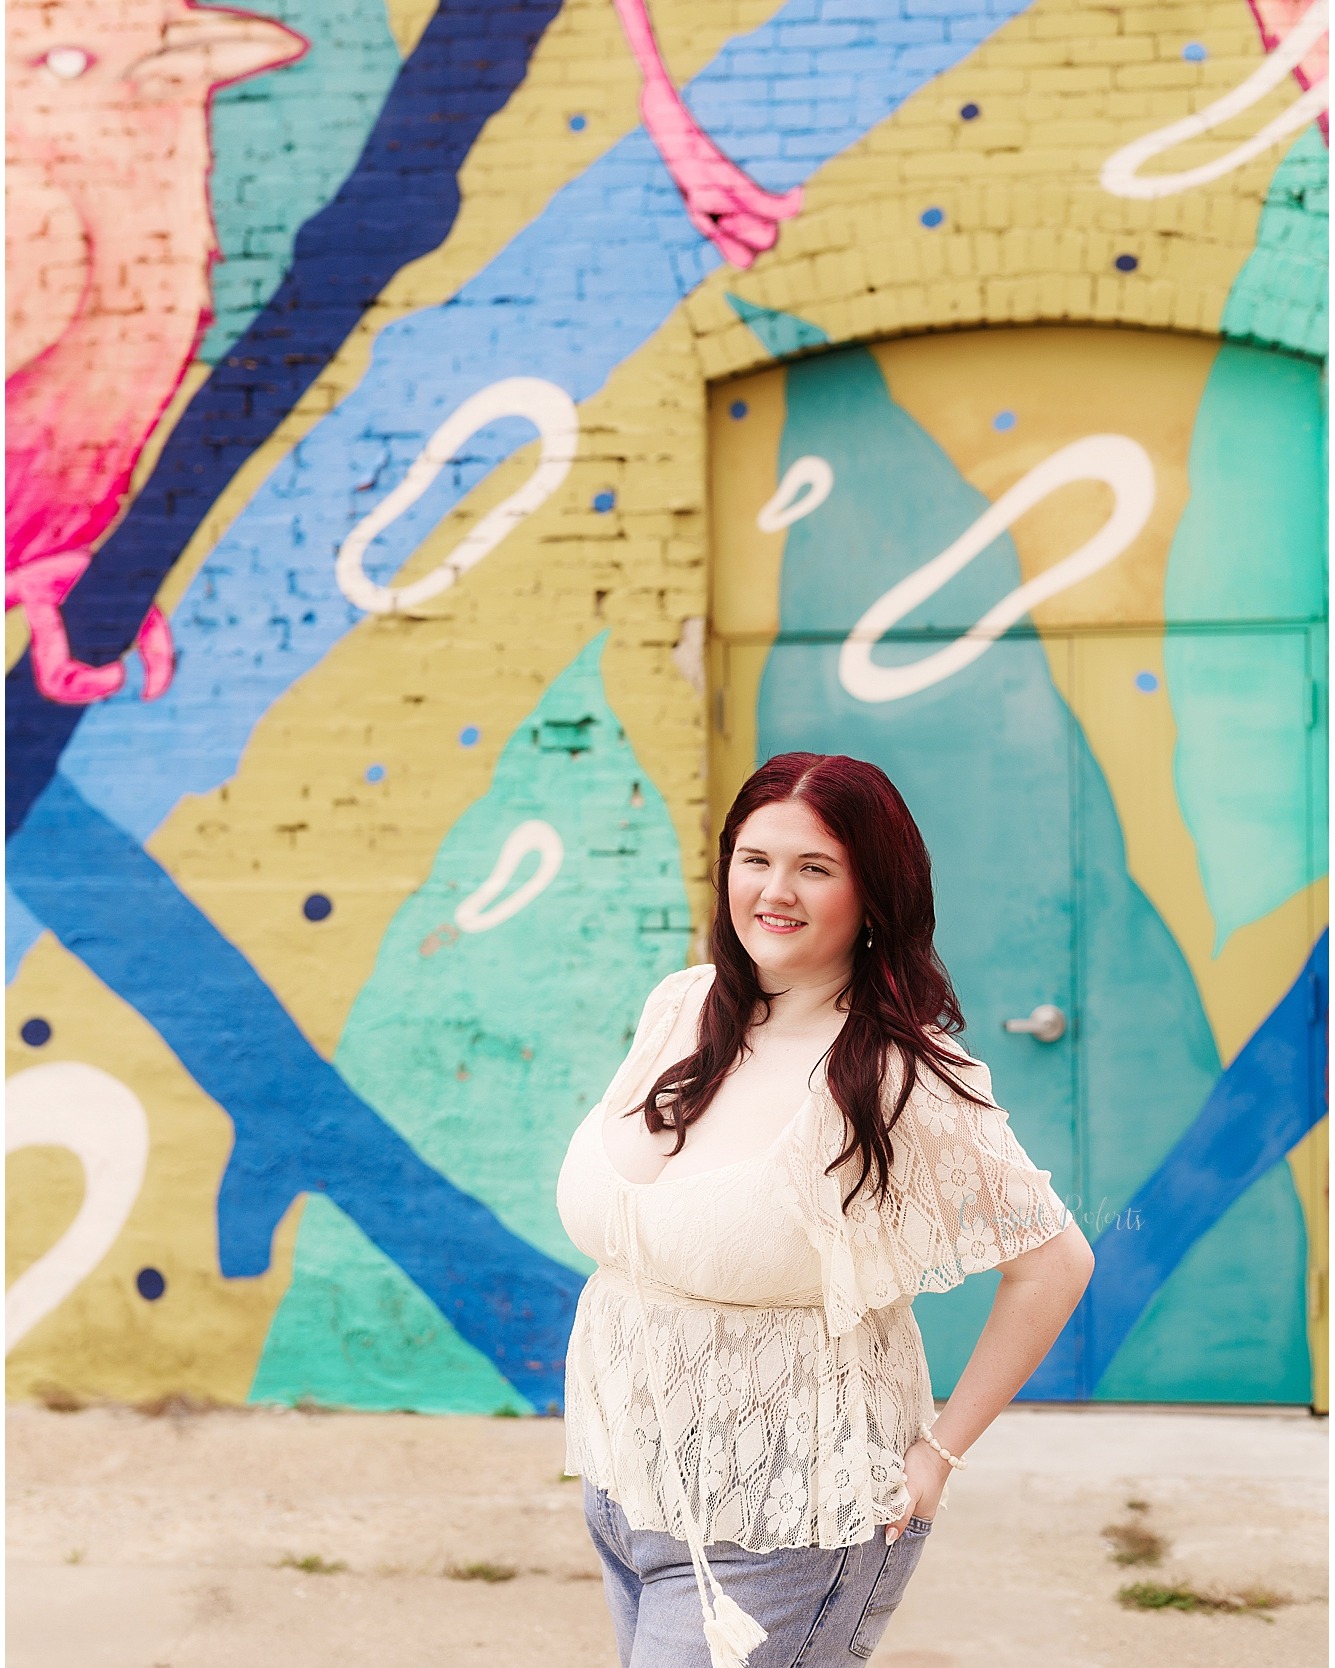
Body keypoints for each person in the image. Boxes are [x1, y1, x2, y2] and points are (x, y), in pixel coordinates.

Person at [556, 751, 1095, 1667]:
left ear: (873, 894)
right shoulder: (683, 1008)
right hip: (627, 1489)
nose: (775, 890)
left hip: (786, 1518)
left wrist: (937, 1454)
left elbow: (1052, 1262)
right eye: (755, 858)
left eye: (815, 867)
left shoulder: (896, 1073)